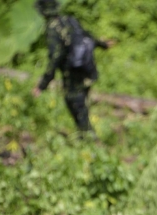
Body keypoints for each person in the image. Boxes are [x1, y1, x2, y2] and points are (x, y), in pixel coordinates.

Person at [32, 0, 112, 136]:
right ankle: (84, 137)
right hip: (87, 72)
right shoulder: (69, 20)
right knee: (81, 105)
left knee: (76, 105)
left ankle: (89, 140)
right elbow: (87, 36)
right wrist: (103, 44)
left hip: (73, 75)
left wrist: (42, 85)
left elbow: (55, 57)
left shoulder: (52, 28)